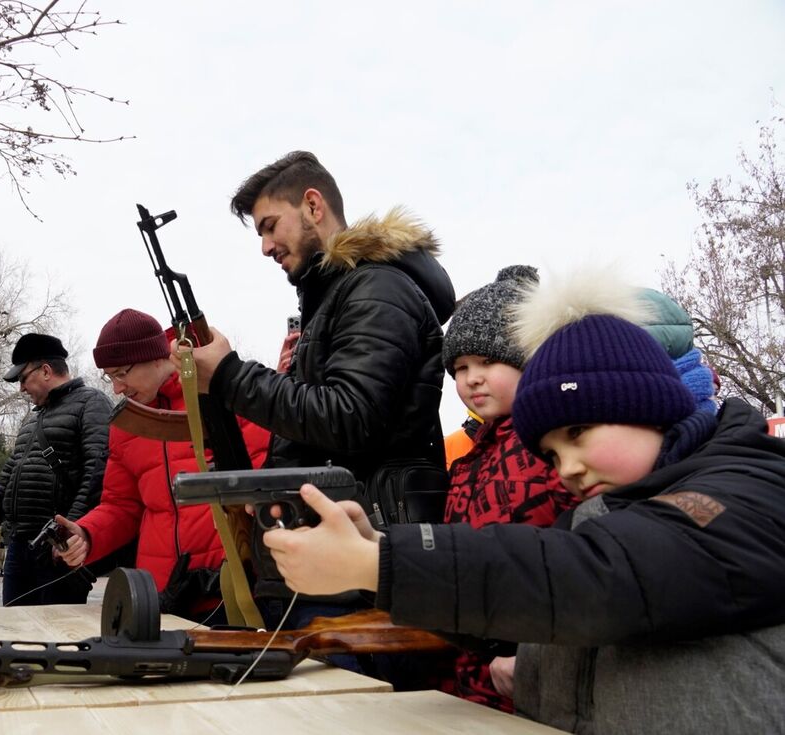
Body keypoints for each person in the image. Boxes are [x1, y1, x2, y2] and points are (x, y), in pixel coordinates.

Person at [262, 274, 785, 734]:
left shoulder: (746, 487)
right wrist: (374, 547)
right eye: (551, 454)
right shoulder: (602, 510)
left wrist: (383, 563)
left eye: (579, 432)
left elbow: (599, 578)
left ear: (648, 407)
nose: (568, 468)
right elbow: (532, 608)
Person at [177, 150, 455, 628]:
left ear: (312, 205)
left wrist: (229, 375)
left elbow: (349, 417)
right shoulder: (335, 298)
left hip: (358, 577)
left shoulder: (376, 289)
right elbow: (319, 438)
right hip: (333, 565)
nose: (264, 246)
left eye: (269, 225)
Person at [57, 309, 270, 622]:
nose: (117, 388)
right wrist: (87, 535)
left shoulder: (222, 393)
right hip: (160, 595)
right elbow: (121, 505)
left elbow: (267, 479)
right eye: (109, 376)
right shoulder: (127, 423)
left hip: (231, 589)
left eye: (121, 373)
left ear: (156, 357)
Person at [438, 265, 577, 711]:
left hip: (532, 675)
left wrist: (528, 654)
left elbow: (577, 567)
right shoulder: (467, 460)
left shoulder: (558, 447)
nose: (471, 378)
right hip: (472, 677)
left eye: (488, 361)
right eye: (460, 367)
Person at [0, 333, 111, 606]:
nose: (21, 388)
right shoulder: (32, 419)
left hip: (58, 552)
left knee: (55, 642)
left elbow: (97, 474)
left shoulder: (91, 404)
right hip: (20, 548)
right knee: (12, 636)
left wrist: (70, 533)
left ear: (45, 370)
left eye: (23, 378)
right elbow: (7, 478)